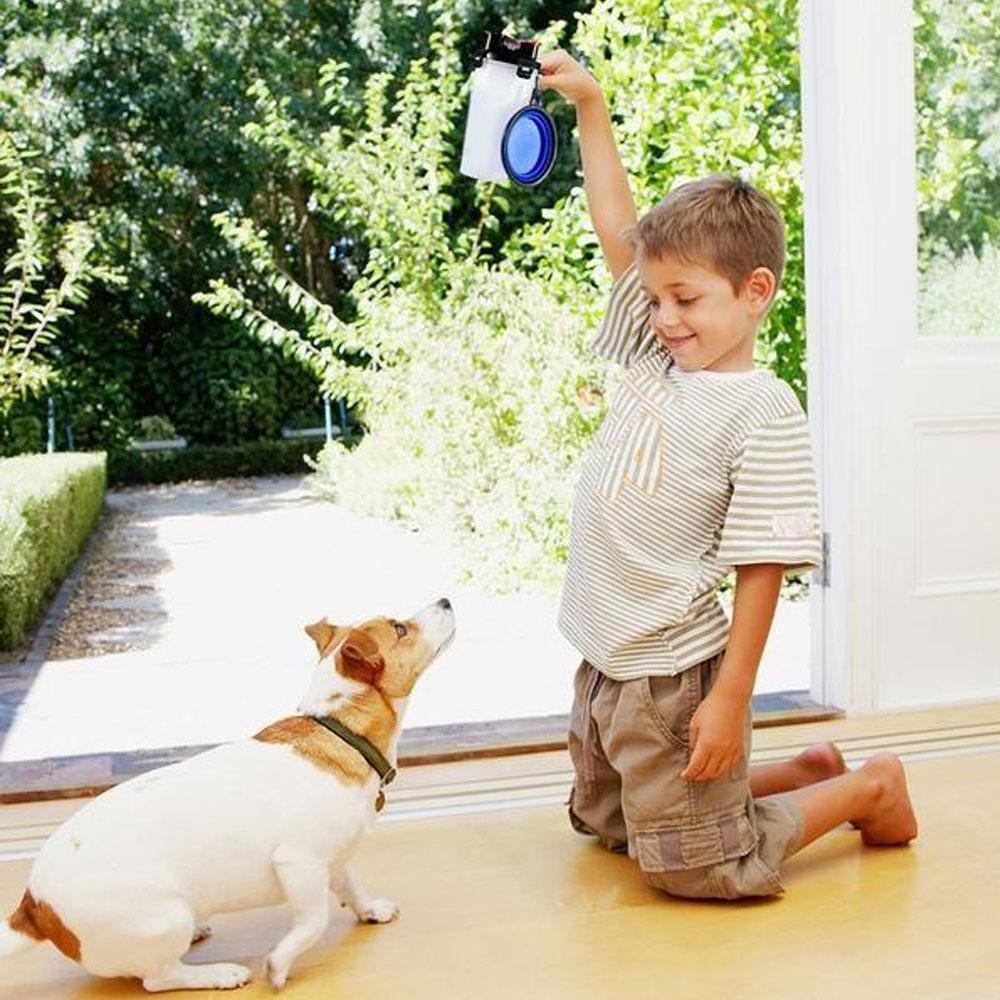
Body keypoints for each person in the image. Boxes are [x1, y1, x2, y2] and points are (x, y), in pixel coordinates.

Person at [537, 48, 918, 899]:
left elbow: (761, 566)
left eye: (686, 299)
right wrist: (590, 107)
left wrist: (730, 702)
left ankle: (868, 787)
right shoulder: (658, 352)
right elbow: (617, 233)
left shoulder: (762, 409)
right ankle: (794, 771)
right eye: (657, 297)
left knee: (704, 868)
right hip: (609, 657)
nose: (663, 315)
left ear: (754, 291)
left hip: (675, 673)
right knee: (611, 830)